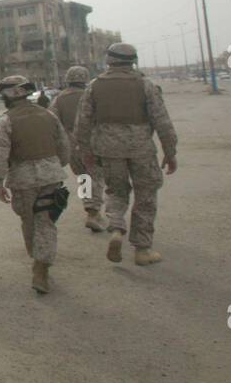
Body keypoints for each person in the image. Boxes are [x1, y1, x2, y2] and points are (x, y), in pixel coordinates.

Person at [74, 42, 178, 266]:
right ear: (133, 61)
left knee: (116, 191)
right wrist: (170, 152)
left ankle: (117, 229)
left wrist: (86, 151)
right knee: (146, 195)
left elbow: (82, 124)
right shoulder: (145, 85)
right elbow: (163, 122)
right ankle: (142, 249)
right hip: (141, 149)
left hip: (108, 150)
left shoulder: (93, 86)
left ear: (108, 61)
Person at [0, 76, 71, 293]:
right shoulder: (49, 116)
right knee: (45, 221)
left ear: (7, 96)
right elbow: (64, 148)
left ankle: (37, 262)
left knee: (29, 221)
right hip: (51, 177)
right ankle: (41, 267)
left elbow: (0, 154)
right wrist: (53, 166)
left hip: (22, 180)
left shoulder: (5, 122)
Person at [50, 65, 106, 232]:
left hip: (70, 145)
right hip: (91, 141)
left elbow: (52, 122)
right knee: (96, 177)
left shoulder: (59, 99)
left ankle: (89, 207)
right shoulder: (92, 95)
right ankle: (93, 212)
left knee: (83, 178)